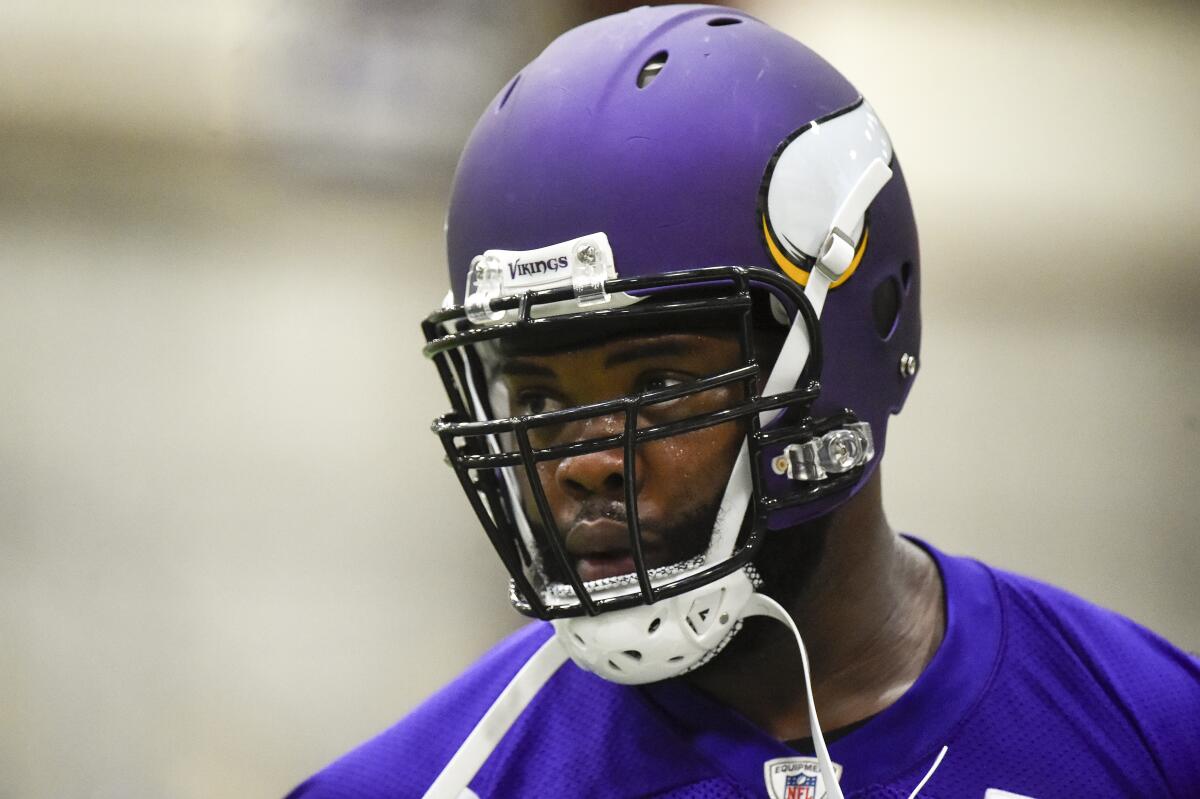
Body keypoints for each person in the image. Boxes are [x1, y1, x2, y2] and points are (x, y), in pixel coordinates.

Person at [288, 6, 1200, 798]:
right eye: (537, 394)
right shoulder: (418, 786)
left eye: (660, 384)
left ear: (847, 350)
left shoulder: (1159, 736)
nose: (581, 460)